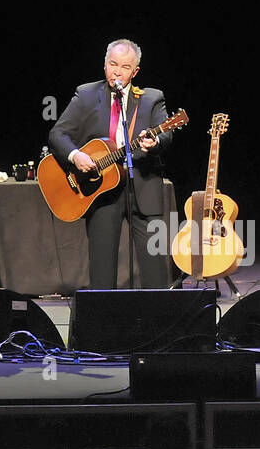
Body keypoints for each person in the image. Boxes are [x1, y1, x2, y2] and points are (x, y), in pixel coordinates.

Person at [49, 39, 176, 289]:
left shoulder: (152, 98)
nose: (117, 71)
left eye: (125, 67)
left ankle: (159, 323)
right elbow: (58, 134)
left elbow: (166, 134)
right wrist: (76, 156)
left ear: (135, 71)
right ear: (105, 64)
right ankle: (103, 326)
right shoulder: (86, 94)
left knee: (155, 272)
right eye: (112, 64)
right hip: (102, 193)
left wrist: (155, 142)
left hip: (144, 187)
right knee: (102, 273)